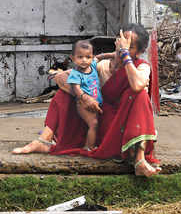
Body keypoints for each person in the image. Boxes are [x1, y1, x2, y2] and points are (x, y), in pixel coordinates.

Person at [13, 23, 161, 177]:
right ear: (117, 40)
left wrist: (123, 53)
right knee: (64, 94)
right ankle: (43, 140)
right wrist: (84, 97)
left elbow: (137, 85)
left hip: (125, 128)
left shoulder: (141, 67)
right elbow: (60, 77)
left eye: (129, 47)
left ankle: (139, 160)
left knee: (140, 95)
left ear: (139, 52)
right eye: (121, 42)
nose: (122, 48)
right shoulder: (101, 66)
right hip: (99, 122)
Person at [67, 40, 108, 151]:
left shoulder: (93, 66)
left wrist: (113, 54)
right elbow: (76, 89)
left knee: (99, 123)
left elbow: (99, 58)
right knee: (93, 124)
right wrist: (84, 99)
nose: (84, 60)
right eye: (80, 57)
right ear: (73, 58)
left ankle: (92, 144)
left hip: (97, 103)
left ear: (92, 57)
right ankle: (89, 147)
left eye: (88, 57)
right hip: (83, 104)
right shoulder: (75, 73)